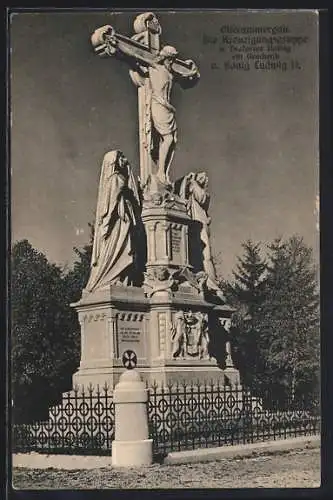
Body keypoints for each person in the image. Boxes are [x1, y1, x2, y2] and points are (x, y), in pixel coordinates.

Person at [85, 150, 142, 292]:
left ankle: (117, 278)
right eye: (121, 157)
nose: (125, 159)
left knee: (119, 251)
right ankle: (114, 278)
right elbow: (112, 205)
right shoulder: (117, 178)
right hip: (118, 223)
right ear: (114, 162)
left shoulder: (111, 180)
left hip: (119, 222)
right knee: (118, 250)